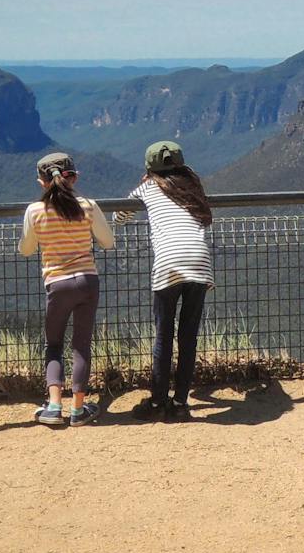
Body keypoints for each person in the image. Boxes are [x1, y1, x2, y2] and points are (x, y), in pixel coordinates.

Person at [117, 140, 214, 421]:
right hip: (199, 262)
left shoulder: (148, 187)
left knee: (164, 335)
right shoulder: (194, 187)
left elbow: (120, 217)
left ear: (149, 168)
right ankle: (181, 403)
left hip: (169, 264)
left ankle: (158, 401)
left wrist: (141, 186)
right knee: (188, 337)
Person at [18, 151, 114, 426]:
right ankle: (79, 409)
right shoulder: (88, 206)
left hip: (57, 283)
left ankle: (53, 406)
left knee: (54, 344)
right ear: (74, 178)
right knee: (81, 345)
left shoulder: (35, 211)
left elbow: (26, 249)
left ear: (41, 182)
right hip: (87, 280)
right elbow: (107, 242)